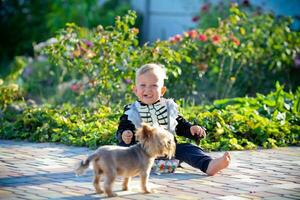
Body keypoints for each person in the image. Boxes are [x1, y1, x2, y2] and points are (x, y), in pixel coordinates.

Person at [116, 63, 231, 176]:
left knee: (189, 149)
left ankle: (208, 165)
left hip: (169, 151)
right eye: (143, 85)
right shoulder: (131, 111)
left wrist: (191, 129)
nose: (148, 89)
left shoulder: (169, 108)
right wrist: (125, 134)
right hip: (142, 152)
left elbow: (180, 125)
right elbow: (124, 127)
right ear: (135, 90)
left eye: (154, 85)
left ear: (162, 91)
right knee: (124, 151)